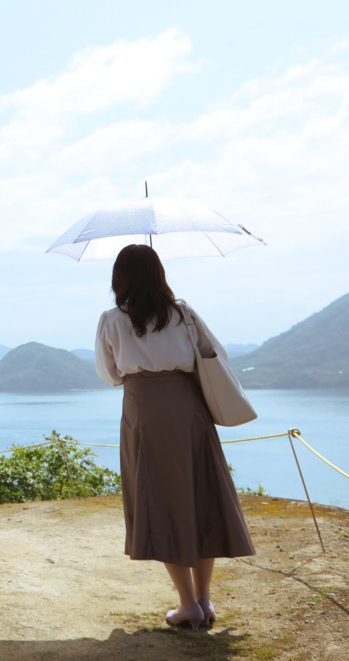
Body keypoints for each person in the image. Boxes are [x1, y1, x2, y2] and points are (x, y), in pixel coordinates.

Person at [93, 244, 255, 630]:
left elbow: (109, 374)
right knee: (199, 496)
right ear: (159, 274)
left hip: (144, 410)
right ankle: (205, 599)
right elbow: (218, 357)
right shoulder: (184, 314)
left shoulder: (113, 320)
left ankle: (187, 604)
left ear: (120, 278)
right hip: (188, 407)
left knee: (161, 499)